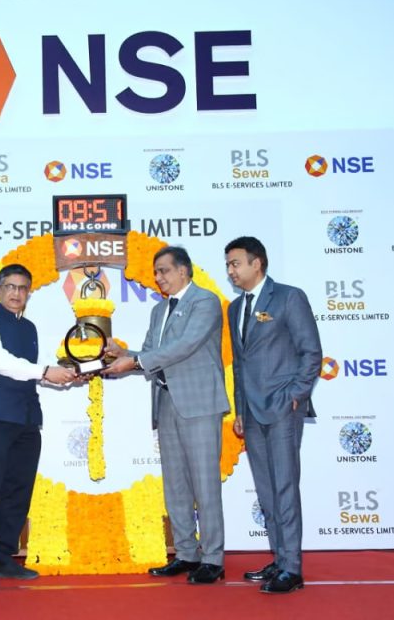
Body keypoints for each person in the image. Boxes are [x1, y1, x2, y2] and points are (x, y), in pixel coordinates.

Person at [104, 246, 228, 585]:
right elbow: (150, 354)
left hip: (199, 403)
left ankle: (213, 558)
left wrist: (135, 361)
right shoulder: (159, 310)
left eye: (164, 271)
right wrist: (123, 353)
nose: (158, 278)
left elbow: (184, 346)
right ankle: (186, 553)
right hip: (166, 401)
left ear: (183, 271)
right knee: (175, 484)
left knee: (204, 483)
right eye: (156, 272)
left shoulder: (205, 301)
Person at [0, 264, 76, 589]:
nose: (16, 293)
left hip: (27, 418)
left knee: (18, 492)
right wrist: (46, 372)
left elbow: (31, 372)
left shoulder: (29, 328)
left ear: (28, 292)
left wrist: (67, 376)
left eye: (22, 288)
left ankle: (3, 558)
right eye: (10, 287)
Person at [225, 236, 322, 594]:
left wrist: (294, 396)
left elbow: (311, 353)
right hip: (251, 413)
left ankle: (292, 568)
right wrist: (239, 409)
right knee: (266, 491)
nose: (231, 271)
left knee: (284, 487)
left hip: (282, 409)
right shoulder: (236, 308)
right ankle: (280, 558)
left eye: (236, 263)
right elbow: (240, 366)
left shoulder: (288, 297)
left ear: (257, 263)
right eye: (228, 265)